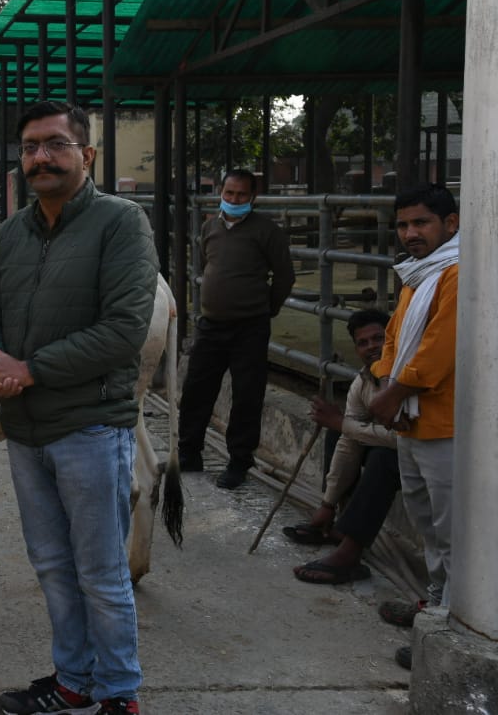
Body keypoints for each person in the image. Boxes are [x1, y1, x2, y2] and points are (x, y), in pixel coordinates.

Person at [0, 99, 156, 715]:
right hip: (26, 431)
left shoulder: (120, 223)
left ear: (87, 155)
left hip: (91, 426)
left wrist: (30, 370)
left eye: (55, 144)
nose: (41, 157)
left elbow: (125, 328)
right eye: (30, 147)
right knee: (52, 565)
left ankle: (119, 695)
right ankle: (74, 683)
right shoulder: (12, 233)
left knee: (102, 574)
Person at [368, 182, 459, 670]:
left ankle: (448, 630)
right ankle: (435, 607)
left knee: (450, 530)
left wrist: (395, 390)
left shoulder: (456, 272)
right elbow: (394, 336)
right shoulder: (419, 275)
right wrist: (385, 377)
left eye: (421, 222)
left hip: (443, 421)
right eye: (403, 224)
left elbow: (439, 348)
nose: (411, 233)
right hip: (411, 419)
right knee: (427, 523)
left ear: (451, 223)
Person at [177, 169, 295, 489]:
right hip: (211, 325)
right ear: (220, 191)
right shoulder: (210, 227)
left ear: (252, 198)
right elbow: (205, 264)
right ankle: (189, 453)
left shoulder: (266, 231)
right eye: (229, 193)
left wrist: (267, 308)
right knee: (196, 390)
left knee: (247, 395)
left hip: (250, 328)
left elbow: (284, 276)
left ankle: (239, 461)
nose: (234, 199)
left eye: (241, 195)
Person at [287, 309, 399, 586]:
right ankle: (336, 524)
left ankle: (350, 554)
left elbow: (404, 439)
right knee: (339, 437)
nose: (372, 347)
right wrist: (327, 503)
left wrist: (341, 424)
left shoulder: (404, 377)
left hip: (426, 453)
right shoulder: (362, 382)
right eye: (363, 343)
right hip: (390, 443)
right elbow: (348, 439)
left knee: (384, 457)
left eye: (378, 339)